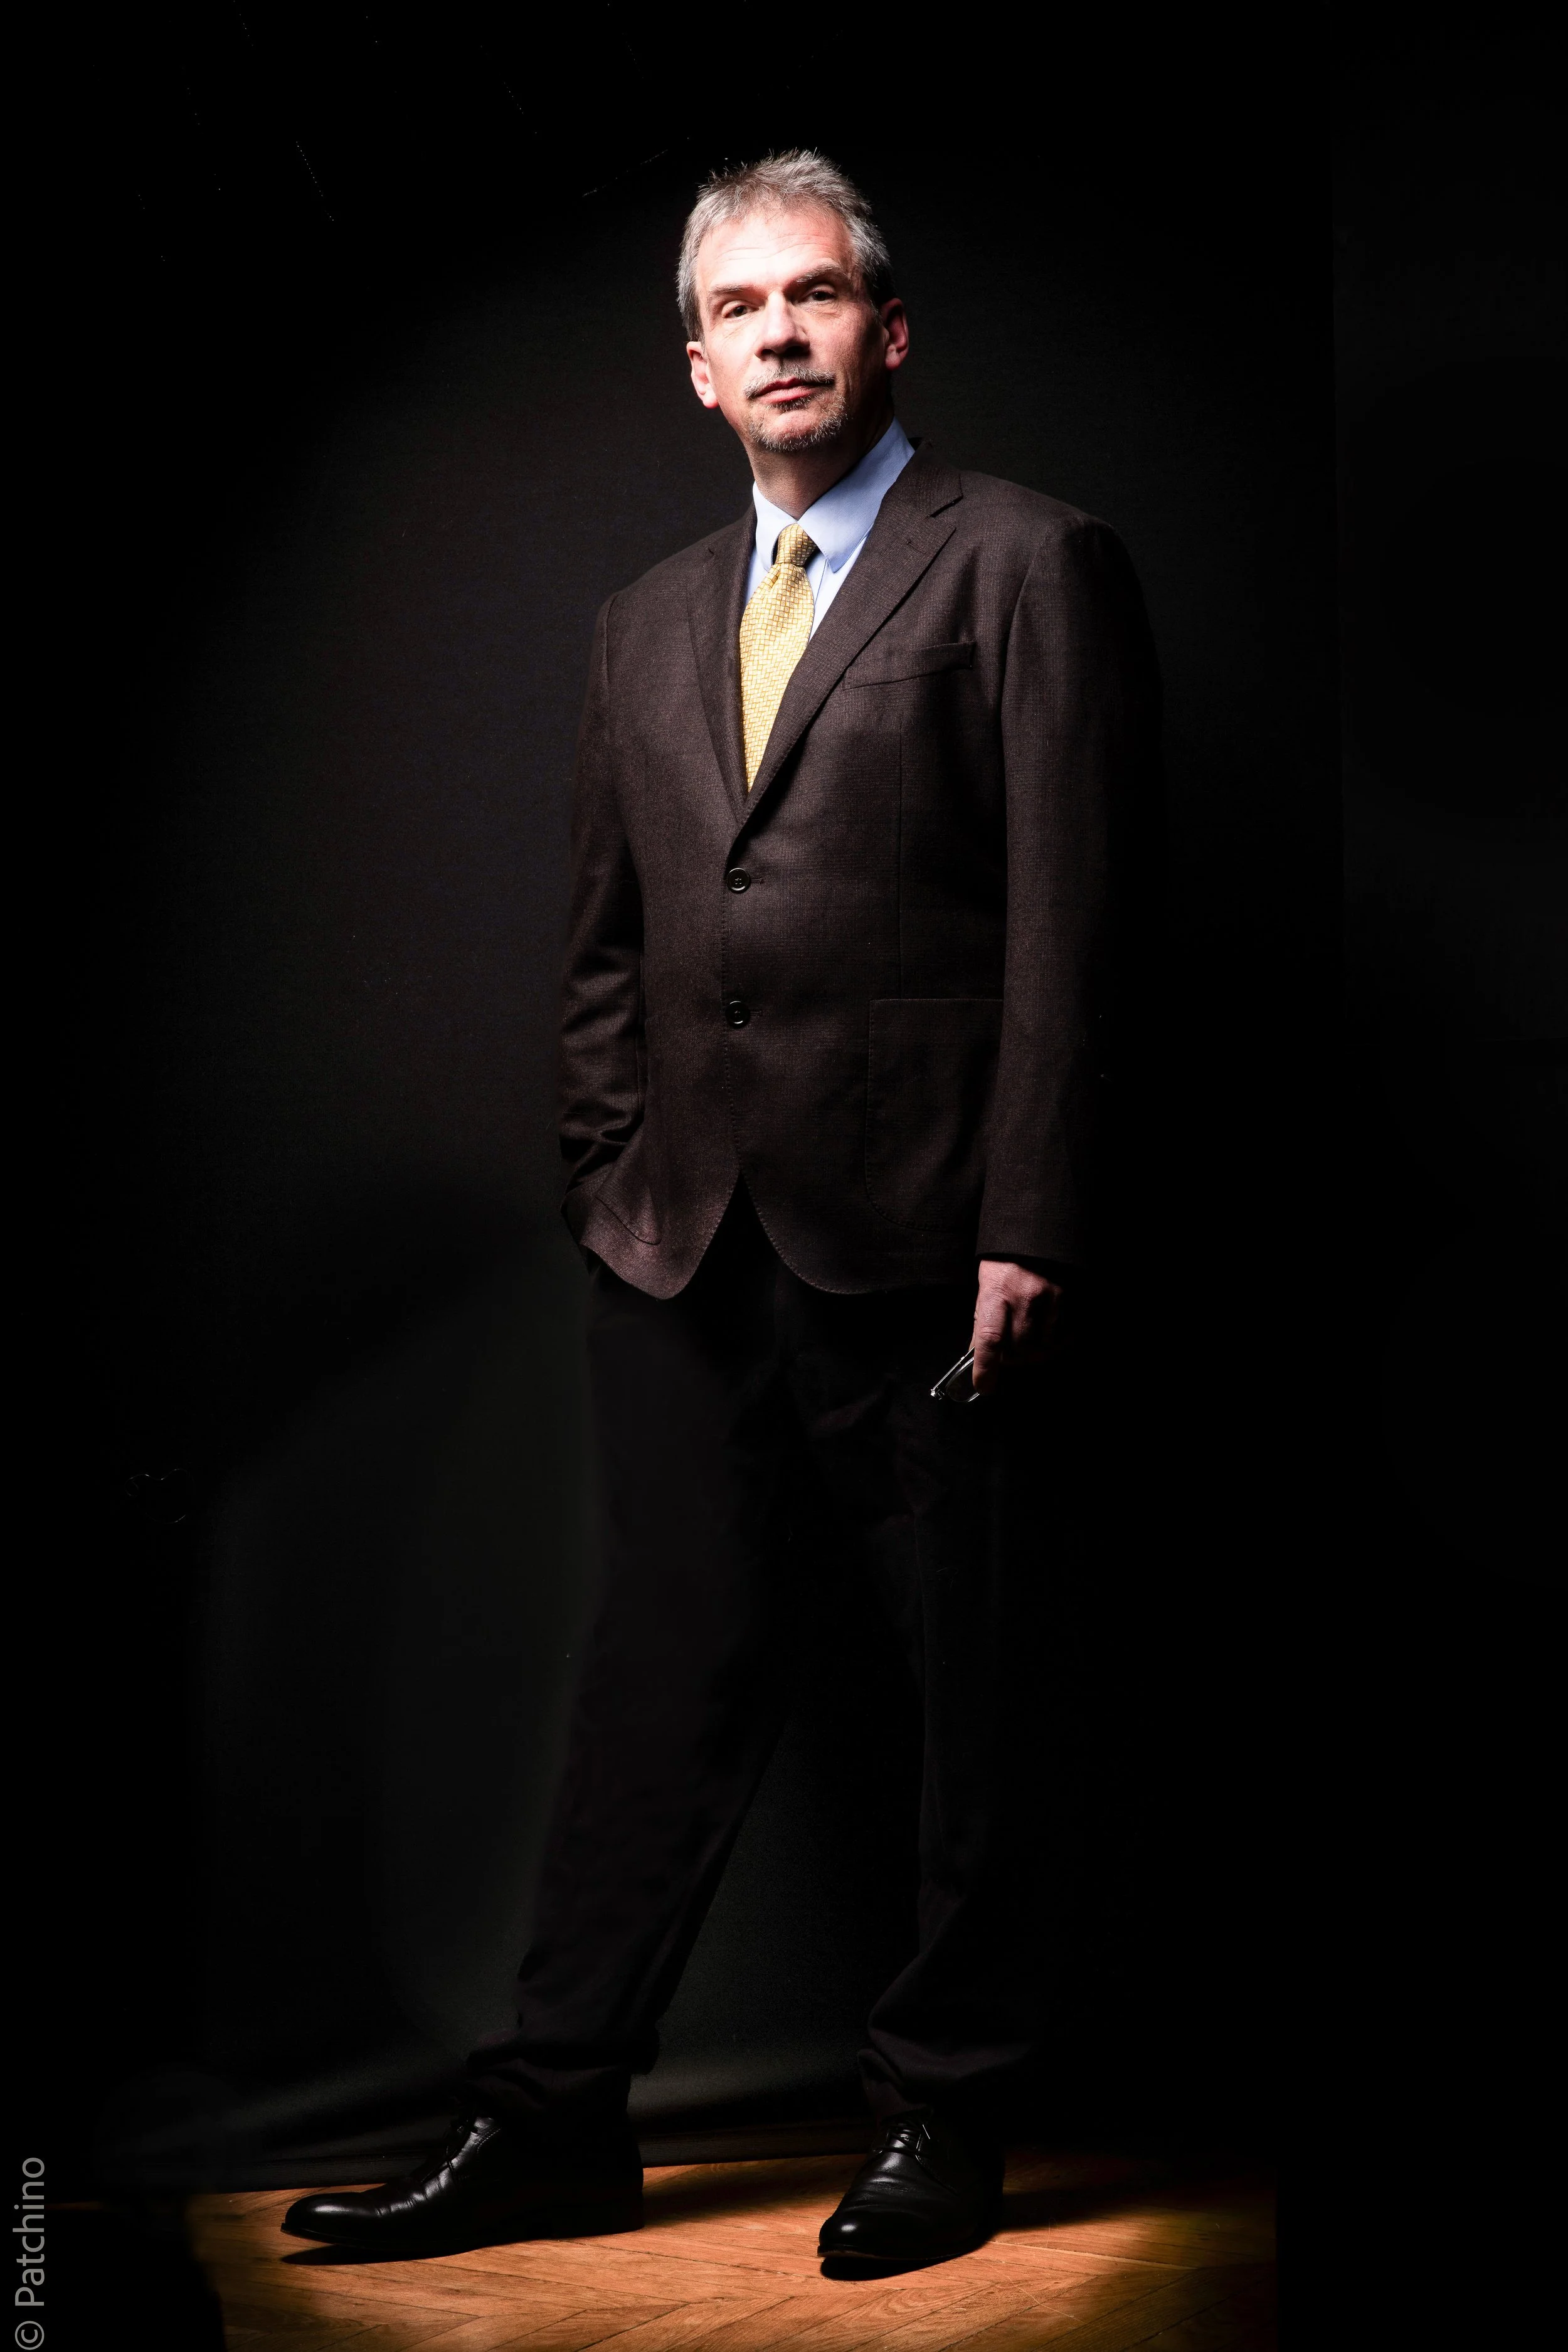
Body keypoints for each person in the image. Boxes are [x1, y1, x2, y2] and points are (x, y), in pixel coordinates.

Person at [284, 148, 1159, 2274]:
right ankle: (550, 2117)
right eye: (739, 309)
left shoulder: (1024, 561)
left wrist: (1032, 1215)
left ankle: (943, 2108)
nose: (780, 334)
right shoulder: (645, 621)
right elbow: (606, 946)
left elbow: (1080, 921)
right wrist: (611, 1180)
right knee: (650, 1690)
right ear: (695, 367)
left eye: (816, 294)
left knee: (974, 1696)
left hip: (942, 1245)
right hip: (681, 1249)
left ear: (888, 329)